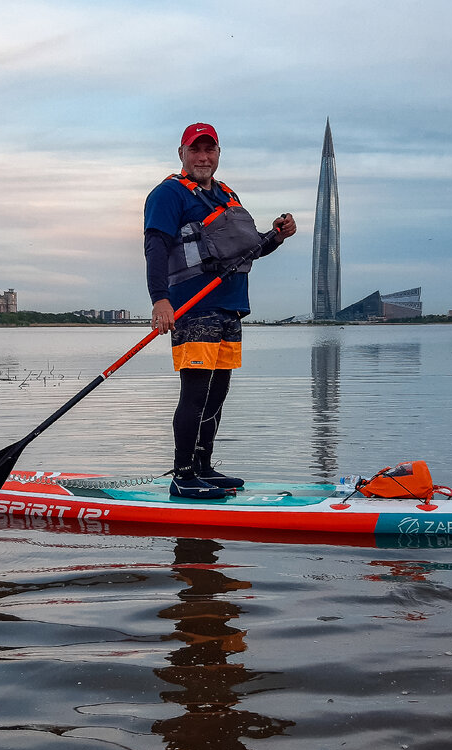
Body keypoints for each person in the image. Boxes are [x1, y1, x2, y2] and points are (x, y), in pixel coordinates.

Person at [144, 122, 297, 499]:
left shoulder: (226, 195)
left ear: (218, 154)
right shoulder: (168, 194)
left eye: (209, 149)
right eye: (195, 150)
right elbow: (155, 247)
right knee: (195, 394)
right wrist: (160, 299)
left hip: (229, 309)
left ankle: (202, 466)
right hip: (194, 309)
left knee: (217, 393)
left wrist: (276, 235)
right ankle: (182, 476)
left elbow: (250, 252)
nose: (203, 157)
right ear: (181, 154)